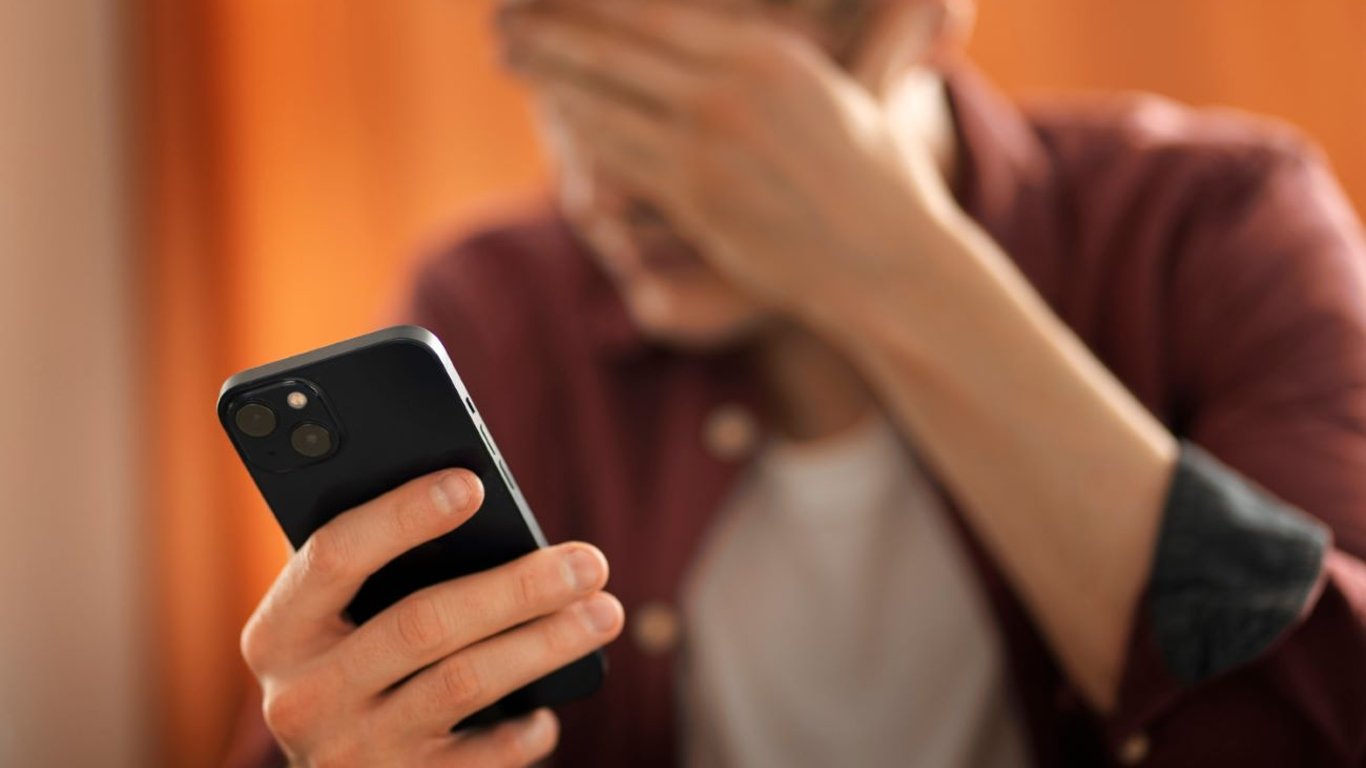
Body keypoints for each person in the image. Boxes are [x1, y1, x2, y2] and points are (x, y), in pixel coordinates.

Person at [226, 0, 1366, 765]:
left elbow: (1326, 724)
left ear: (922, 20)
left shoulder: (1217, 228)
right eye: (563, 92)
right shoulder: (496, 307)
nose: (598, 191)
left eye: (673, 110)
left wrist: (889, 260)